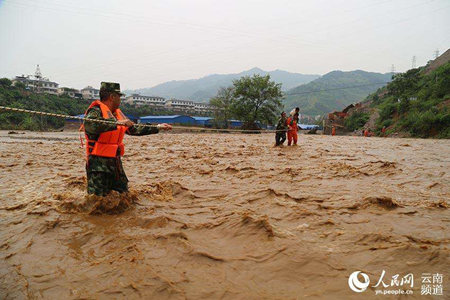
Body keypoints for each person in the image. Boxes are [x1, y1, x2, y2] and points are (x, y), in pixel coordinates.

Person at [81, 82, 172, 196]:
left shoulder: (117, 114)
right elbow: (90, 125)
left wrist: (158, 127)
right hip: (98, 165)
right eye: (119, 96)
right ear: (112, 97)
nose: (120, 99)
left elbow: (133, 129)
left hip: (115, 162)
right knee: (97, 200)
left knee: (124, 195)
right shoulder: (95, 111)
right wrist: (117, 123)